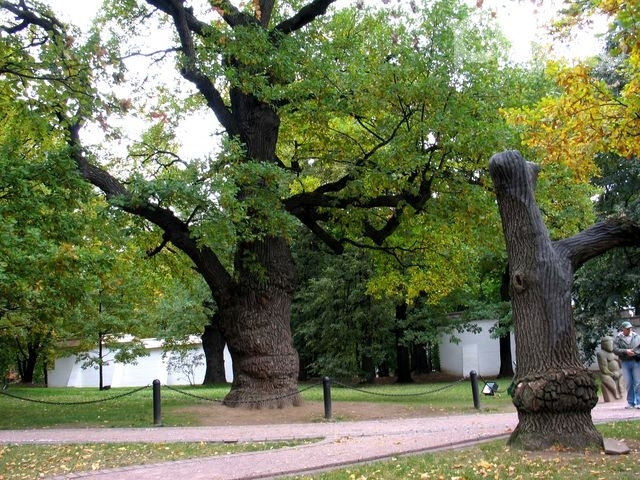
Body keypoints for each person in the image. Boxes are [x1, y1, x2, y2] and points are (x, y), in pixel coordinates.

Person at [612, 320, 640, 409]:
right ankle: (630, 402)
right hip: (625, 363)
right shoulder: (618, 338)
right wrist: (625, 351)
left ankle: (638, 402)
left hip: (636, 361)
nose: (629, 330)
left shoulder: (637, 336)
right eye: (627, 329)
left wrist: (635, 352)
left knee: (638, 382)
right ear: (623, 329)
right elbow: (615, 350)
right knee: (628, 383)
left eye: (630, 328)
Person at [597, 336, 624, 402]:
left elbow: (622, 365)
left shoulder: (616, 352)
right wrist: (612, 374)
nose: (611, 344)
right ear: (604, 344)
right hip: (608, 373)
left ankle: (622, 392)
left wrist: (619, 372)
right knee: (605, 378)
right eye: (609, 343)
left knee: (625, 374)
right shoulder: (601, 354)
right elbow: (603, 368)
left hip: (618, 372)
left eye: (612, 343)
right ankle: (615, 393)